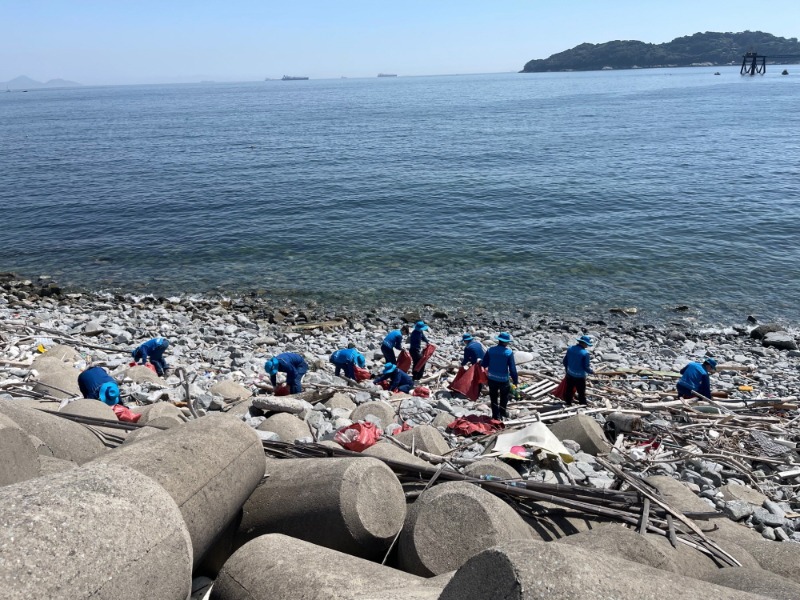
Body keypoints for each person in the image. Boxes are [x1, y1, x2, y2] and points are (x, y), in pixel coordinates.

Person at [482, 332, 518, 420]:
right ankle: (502, 412)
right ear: (506, 342)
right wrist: (515, 381)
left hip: (492, 378)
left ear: (499, 340)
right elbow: (512, 369)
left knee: (493, 397)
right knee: (504, 397)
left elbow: (484, 364)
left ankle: (495, 415)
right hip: (503, 380)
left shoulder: (490, 350)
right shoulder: (508, 352)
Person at [562, 335, 594, 406]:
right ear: (584, 343)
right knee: (581, 392)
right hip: (580, 377)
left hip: (570, 374)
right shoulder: (585, 353)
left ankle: (568, 403)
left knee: (569, 390)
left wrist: (567, 371)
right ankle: (583, 404)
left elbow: (565, 362)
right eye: (587, 344)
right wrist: (591, 372)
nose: (587, 346)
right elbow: (586, 367)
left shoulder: (570, 348)